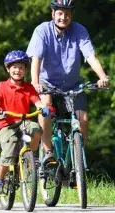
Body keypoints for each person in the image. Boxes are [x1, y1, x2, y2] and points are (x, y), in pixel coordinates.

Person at [26, 0, 109, 164]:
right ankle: (48, 151)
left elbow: (90, 56)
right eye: (60, 13)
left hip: (72, 85)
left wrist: (102, 77)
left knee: (83, 119)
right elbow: (36, 59)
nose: (63, 17)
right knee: (46, 109)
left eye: (67, 14)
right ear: (53, 14)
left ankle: (77, 163)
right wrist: (35, 83)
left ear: (71, 15)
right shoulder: (42, 31)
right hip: (47, 84)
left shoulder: (79, 30)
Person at [0, 50, 51, 194]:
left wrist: (43, 107)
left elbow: (37, 101)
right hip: (7, 123)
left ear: (25, 70)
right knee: (9, 151)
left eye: (21, 68)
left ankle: (31, 155)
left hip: (24, 121)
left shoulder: (28, 87)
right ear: (8, 69)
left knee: (37, 129)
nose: (18, 70)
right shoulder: (2, 86)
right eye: (15, 67)